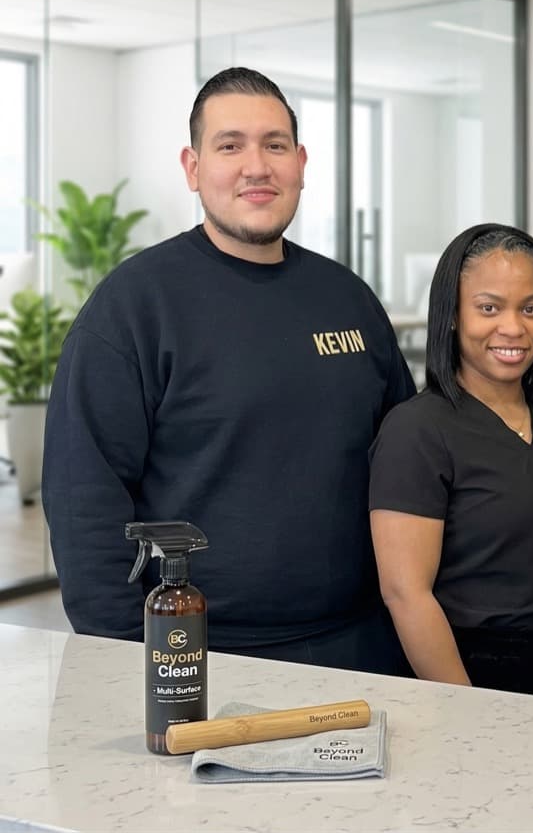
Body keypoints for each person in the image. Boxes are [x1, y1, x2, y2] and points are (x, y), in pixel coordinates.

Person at [42, 67, 415, 674]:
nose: (256, 166)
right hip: (200, 654)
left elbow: (409, 467)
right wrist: (125, 666)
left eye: (273, 145)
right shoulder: (134, 308)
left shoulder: (348, 300)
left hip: (364, 645)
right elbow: (85, 499)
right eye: (230, 145)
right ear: (193, 168)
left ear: (299, 162)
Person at [369, 223, 533, 701]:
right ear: (454, 315)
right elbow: (406, 595)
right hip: (474, 677)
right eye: (489, 308)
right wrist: (470, 712)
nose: (514, 328)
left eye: (531, 309)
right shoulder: (417, 430)